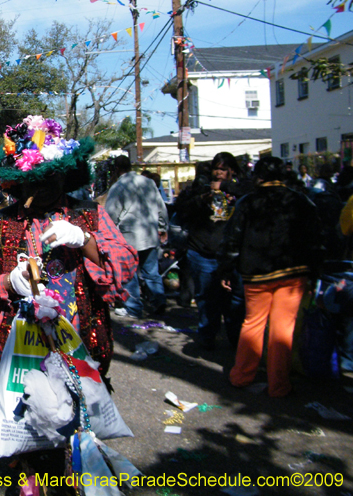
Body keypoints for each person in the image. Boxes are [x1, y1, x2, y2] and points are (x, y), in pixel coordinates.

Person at [0, 116, 137, 380]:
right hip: (23, 359)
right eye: (33, 179)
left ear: (65, 175)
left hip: (84, 353)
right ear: (19, 181)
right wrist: (8, 281)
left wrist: (85, 240)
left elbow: (124, 265)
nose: (42, 187)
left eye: (50, 177)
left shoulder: (90, 215)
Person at [218, 156, 322, 397]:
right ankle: (279, 385)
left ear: (259, 177)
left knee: (253, 324)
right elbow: (315, 240)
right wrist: (315, 271)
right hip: (293, 273)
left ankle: (241, 376)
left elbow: (232, 239)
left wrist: (225, 269)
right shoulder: (302, 202)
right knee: (282, 329)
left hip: (256, 275)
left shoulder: (247, 202)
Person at [175, 152, 251, 350]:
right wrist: (202, 198)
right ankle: (208, 337)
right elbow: (181, 209)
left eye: (223, 169)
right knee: (207, 299)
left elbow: (252, 192)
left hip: (233, 256)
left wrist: (224, 187)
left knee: (234, 302)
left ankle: (235, 340)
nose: (218, 173)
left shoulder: (241, 187)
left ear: (232, 170)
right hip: (202, 253)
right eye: (216, 168)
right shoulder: (202, 186)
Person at [104, 155, 169, 318]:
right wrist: (162, 227)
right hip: (149, 234)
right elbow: (161, 207)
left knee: (129, 274)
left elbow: (111, 214)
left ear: (117, 170)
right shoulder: (148, 183)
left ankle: (133, 307)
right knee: (151, 272)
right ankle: (159, 301)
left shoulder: (119, 186)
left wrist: (107, 235)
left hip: (129, 237)